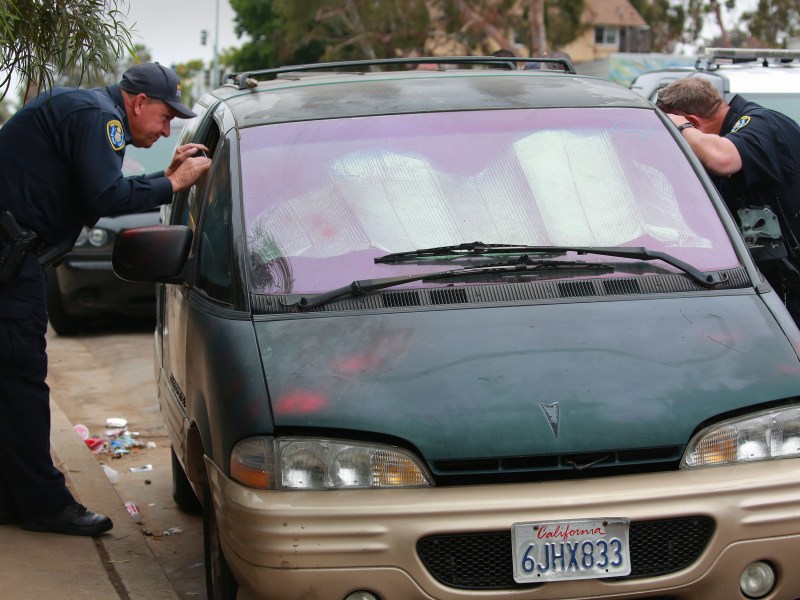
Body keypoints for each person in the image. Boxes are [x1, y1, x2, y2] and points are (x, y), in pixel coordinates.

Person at [0, 62, 212, 536]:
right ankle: (44, 504)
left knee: (9, 385)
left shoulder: (87, 110)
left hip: (13, 259)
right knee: (21, 383)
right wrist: (173, 183)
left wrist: (164, 175)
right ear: (138, 103)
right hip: (11, 268)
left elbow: (96, 189)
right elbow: (105, 197)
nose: (165, 130)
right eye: (163, 117)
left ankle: (13, 498)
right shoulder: (102, 119)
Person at [656, 76, 800, 322]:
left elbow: (721, 159)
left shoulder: (761, 124)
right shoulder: (733, 133)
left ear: (692, 122)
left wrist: (679, 127)